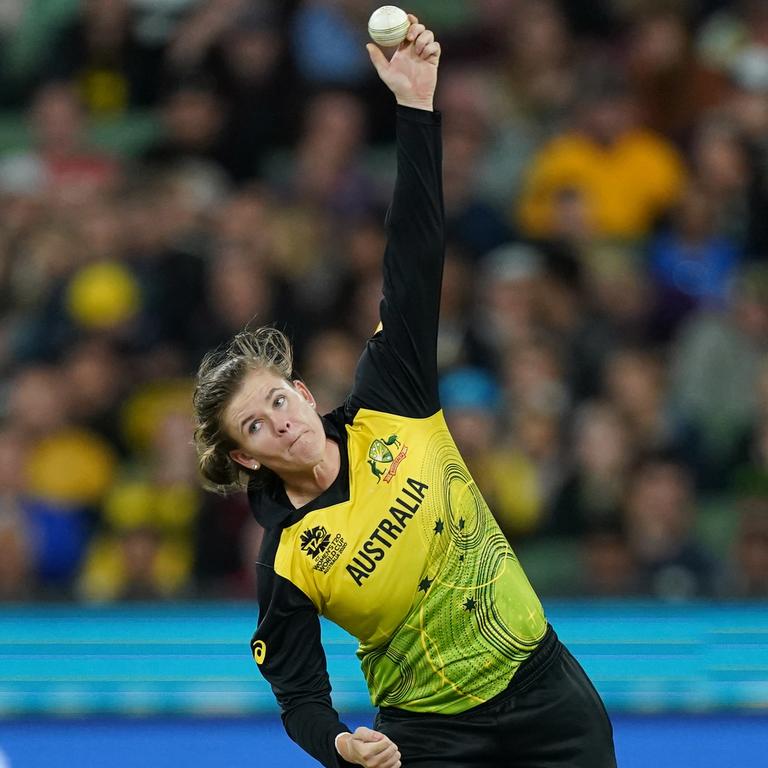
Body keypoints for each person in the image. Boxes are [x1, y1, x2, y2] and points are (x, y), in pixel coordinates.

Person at [193, 16, 616, 768]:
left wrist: (416, 108)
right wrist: (340, 746)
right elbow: (298, 696)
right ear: (247, 459)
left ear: (300, 390)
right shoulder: (288, 559)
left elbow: (414, 258)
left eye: (278, 401)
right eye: (254, 428)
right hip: (430, 736)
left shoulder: (392, 397)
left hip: (546, 690)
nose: (280, 424)